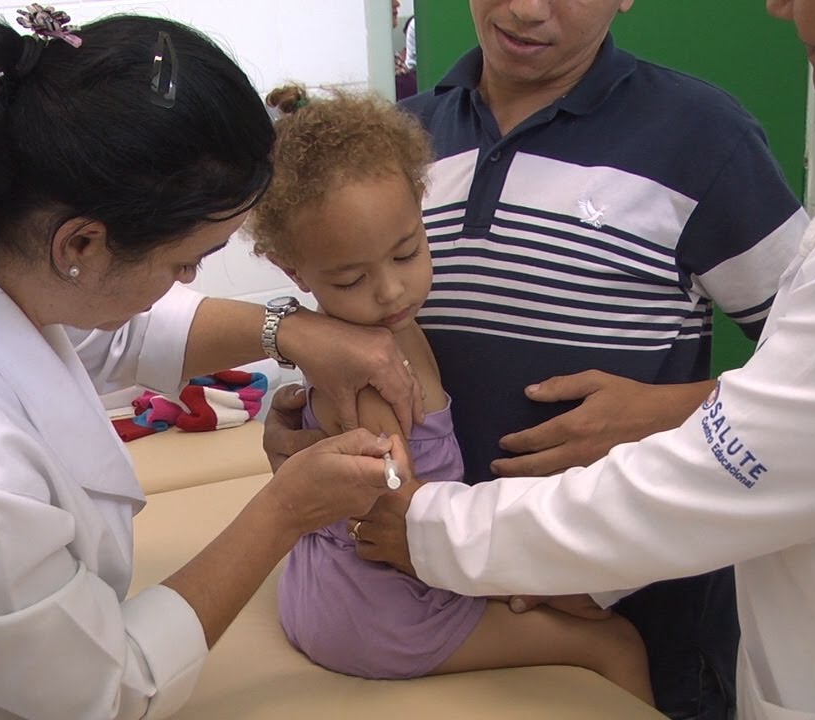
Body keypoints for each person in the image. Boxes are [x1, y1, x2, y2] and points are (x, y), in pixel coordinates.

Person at [0, 9, 422, 719]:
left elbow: (104, 328)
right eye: (184, 260)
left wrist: (292, 331)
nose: (188, 280)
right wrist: (286, 511)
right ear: (81, 245)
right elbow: (111, 687)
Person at [346, 0, 815, 716]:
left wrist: (663, 411)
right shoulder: (398, 144)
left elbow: (811, 386)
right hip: (433, 589)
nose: (524, 8)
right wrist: (311, 392)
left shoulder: (703, 139)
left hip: (635, 602)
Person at [246, 85, 653, 702]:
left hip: (327, 587)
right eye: (352, 278)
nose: (389, 291)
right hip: (380, 605)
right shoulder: (369, 376)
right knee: (613, 642)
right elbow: (390, 518)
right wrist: (527, 581)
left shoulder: (374, 334)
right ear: (293, 271)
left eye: (407, 251)